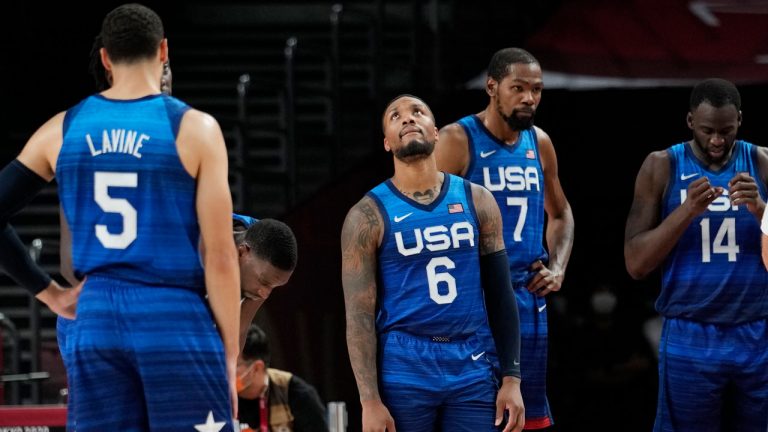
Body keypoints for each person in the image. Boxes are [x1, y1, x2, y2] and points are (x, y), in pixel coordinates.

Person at [0, 4, 240, 430]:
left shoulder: (61, 128)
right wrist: (230, 354)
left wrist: (49, 293)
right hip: (172, 311)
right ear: (163, 50)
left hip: (96, 317)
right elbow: (221, 257)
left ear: (106, 58)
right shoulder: (195, 128)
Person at [341, 94, 525, 432]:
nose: (408, 119)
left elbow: (501, 294)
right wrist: (369, 401)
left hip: (470, 355)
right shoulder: (365, 215)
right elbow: (358, 316)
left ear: (436, 131)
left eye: (418, 112)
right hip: (405, 359)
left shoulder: (478, 199)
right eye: (395, 116)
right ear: (386, 142)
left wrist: (512, 378)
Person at [434, 47, 574, 429]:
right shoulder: (456, 140)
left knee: (528, 417)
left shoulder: (539, 142)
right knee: (477, 415)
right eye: (519, 88)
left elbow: (561, 213)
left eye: (537, 89)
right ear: (492, 87)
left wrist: (558, 267)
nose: (530, 98)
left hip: (527, 298)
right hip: (475, 300)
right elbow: (425, 220)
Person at [624, 78, 768, 431]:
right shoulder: (662, 165)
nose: (717, 140)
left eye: (726, 130)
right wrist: (686, 210)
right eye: (707, 130)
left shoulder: (762, 161)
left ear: (739, 121)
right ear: (690, 122)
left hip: (758, 330)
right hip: (691, 333)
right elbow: (636, 264)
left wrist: (761, 210)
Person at [237, 323, 328, 432]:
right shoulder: (218, 396)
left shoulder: (298, 395)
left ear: (256, 368)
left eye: (231, 364)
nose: (223, 370)